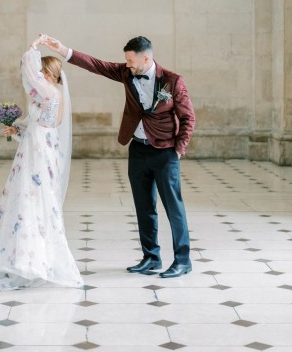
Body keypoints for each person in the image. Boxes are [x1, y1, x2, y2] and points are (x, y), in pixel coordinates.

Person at [45, 34, 195, 279]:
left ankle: (182, 260)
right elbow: (97, 65)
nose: (128, 64)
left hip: (165, 151)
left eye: (131, 60)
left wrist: (178, 149)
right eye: (126, 60)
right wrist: (63, 50)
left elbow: (189, 118)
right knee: (144, 206)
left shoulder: (172, 81)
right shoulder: (126, 73)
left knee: (173, 208)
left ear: (146, 57)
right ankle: (151, 257)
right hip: (137, 149)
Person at [0, 35, 83, 291]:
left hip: (39, 153)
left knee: (33, 199)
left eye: (43, 72)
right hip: (35, 147)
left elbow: (29, 76)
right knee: (25, 199)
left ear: (50, 74)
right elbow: (39, 124)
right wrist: (17, 129)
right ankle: (20, 255)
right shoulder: (48, 95)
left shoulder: (49, 92)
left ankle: (30, 261)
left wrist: (33, 49)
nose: (39, 76)